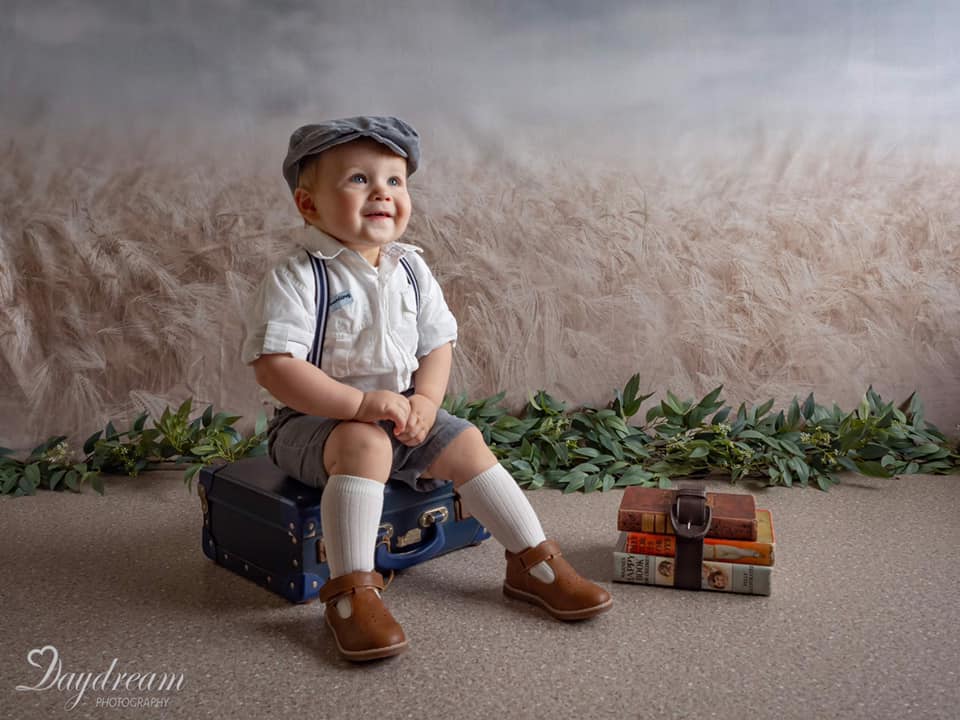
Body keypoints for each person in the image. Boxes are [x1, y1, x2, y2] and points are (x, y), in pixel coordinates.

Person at [241, 116, 612, 662]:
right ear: (309, 205)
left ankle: (533, 562)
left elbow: (438, 345)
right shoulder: (299, 276)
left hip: (398, 412)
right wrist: (359, 404)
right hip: (312, 424)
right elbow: (275, 368)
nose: (382, 194)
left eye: (395, 181)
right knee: (365, 443)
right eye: (359, 180)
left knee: (464, 440)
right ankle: (351, 592)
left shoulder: (411, 269)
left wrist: (425, 402)